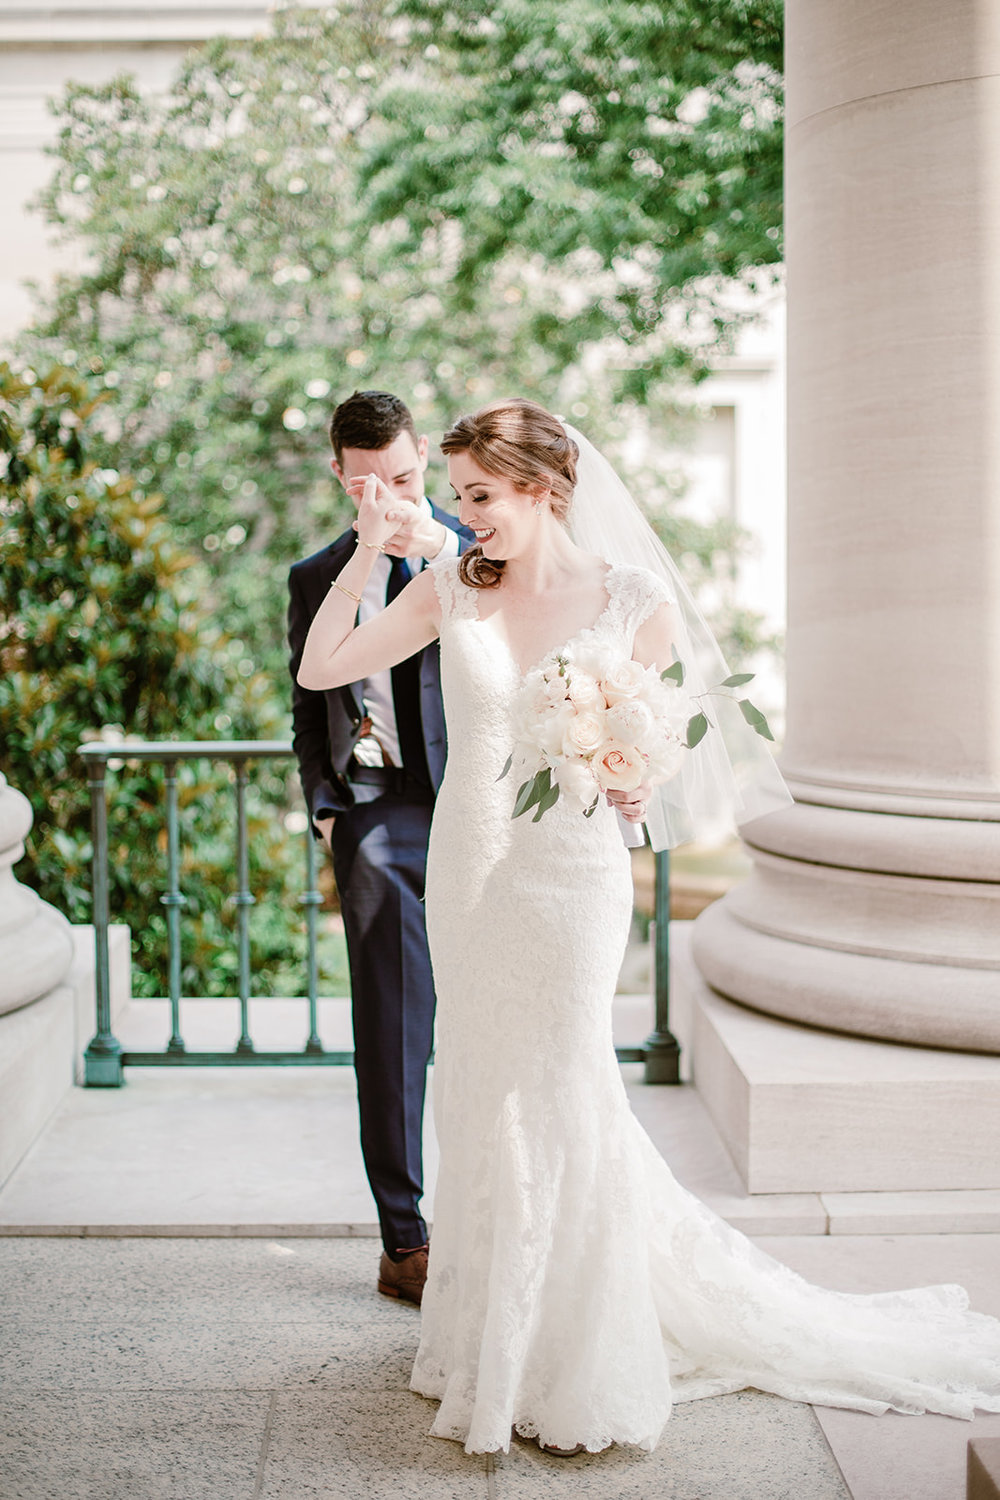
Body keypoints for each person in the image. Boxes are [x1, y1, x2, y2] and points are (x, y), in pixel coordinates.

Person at [296, 397, 1000, 1456]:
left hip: (572, 874)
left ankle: (574, 1349)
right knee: (483, 1090)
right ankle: (491, 1334)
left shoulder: (631, 598)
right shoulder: (453, 588)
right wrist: (364, 554)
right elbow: (321, 670)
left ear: (541, 489)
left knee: (568, 1084)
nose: (462, 516)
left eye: (479, 497)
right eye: (455, 499)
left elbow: (658, 740)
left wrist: (630, 776)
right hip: (470, 869)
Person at [288, 389, 471, 1308]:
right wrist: (327, 808)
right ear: (339, 476)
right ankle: (406, 1241)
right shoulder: (317, 571)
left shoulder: (481, 547)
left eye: (402, 478)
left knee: (492, 1012)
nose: (390, 500)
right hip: (377, 809)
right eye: (369, 484)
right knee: (394, 1025)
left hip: (477, 803)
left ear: (423, 462)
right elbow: (306, 705)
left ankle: (500, 1219)